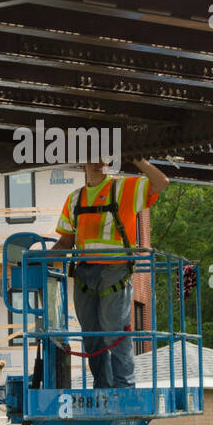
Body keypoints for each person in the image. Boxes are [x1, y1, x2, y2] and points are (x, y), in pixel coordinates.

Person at [51, 158, 169, 388]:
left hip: (115, 271)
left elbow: (161, 182)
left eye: (102, 159)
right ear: (82, 165)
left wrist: (139, 161)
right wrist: (39, 260)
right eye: (91, 160)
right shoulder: (75, 198)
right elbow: (66, 241)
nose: (98, 164)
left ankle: (124, 388)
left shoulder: (124, 188)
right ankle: (102, 388)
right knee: (92, 337)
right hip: (85, 273)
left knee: (114, 332)